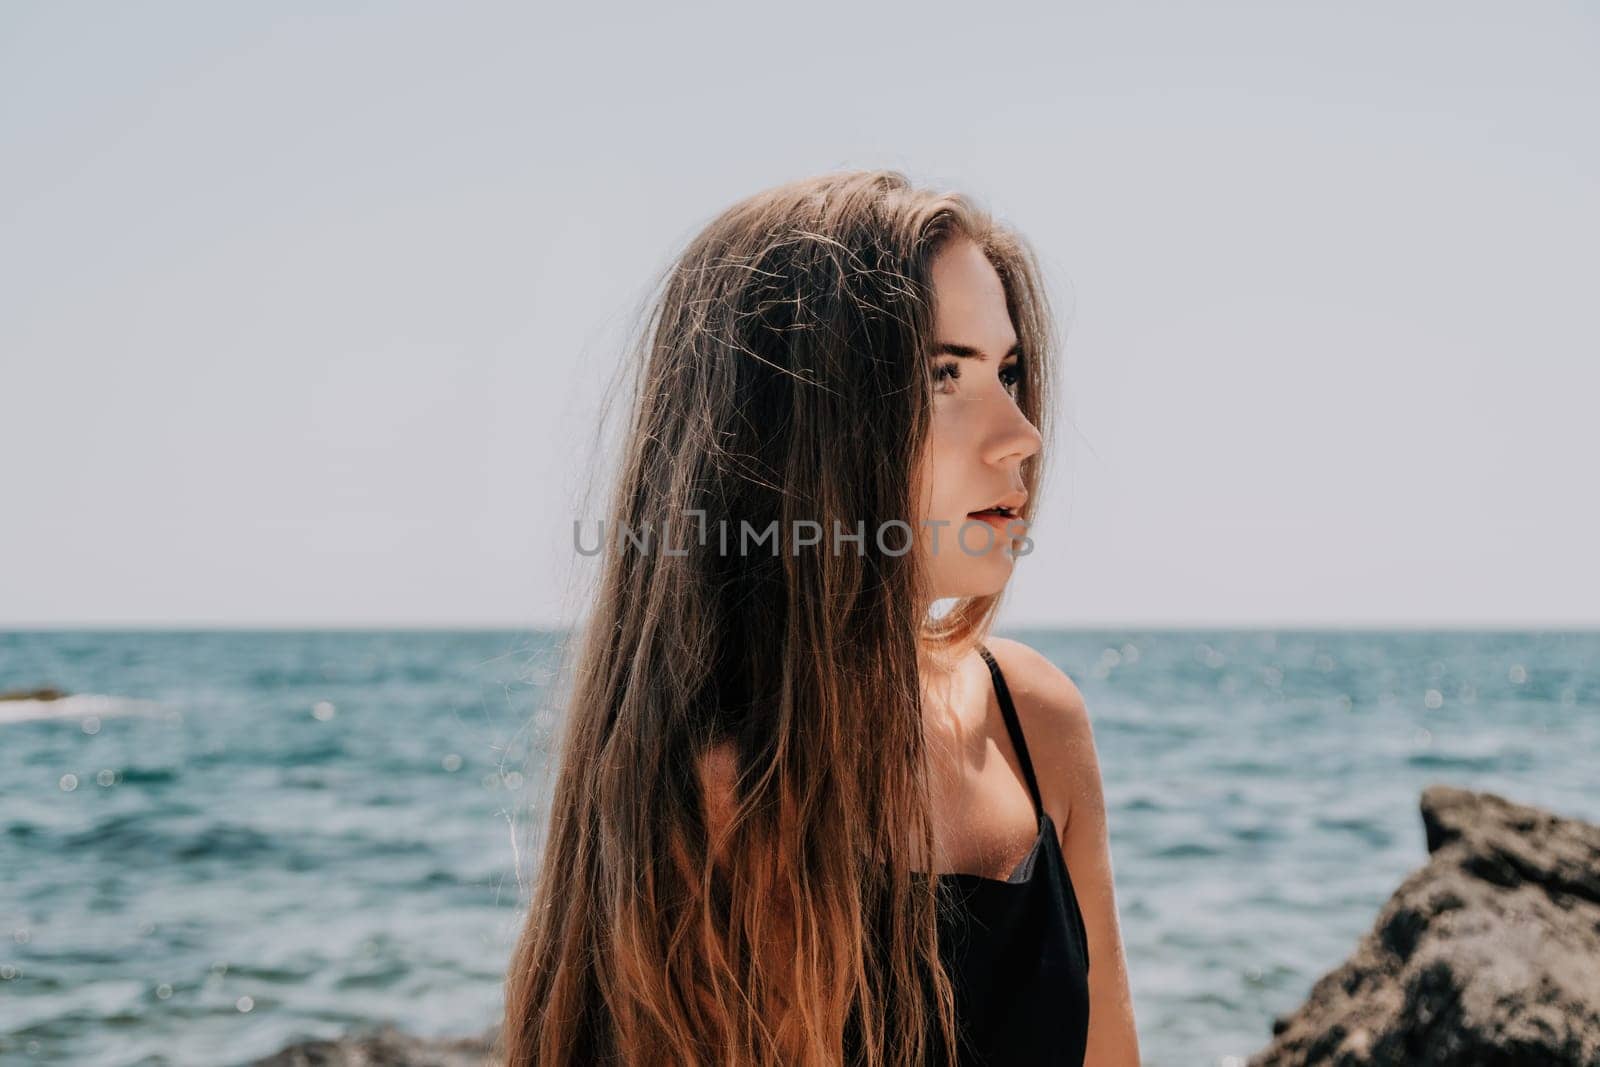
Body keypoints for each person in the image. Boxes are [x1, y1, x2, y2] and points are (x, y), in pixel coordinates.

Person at [499, 170, 1140, 1065]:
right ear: (790, 423)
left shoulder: (1035, 720)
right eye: (943, 374)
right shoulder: (719, 795)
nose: (1021, 431)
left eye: (1011, 370)